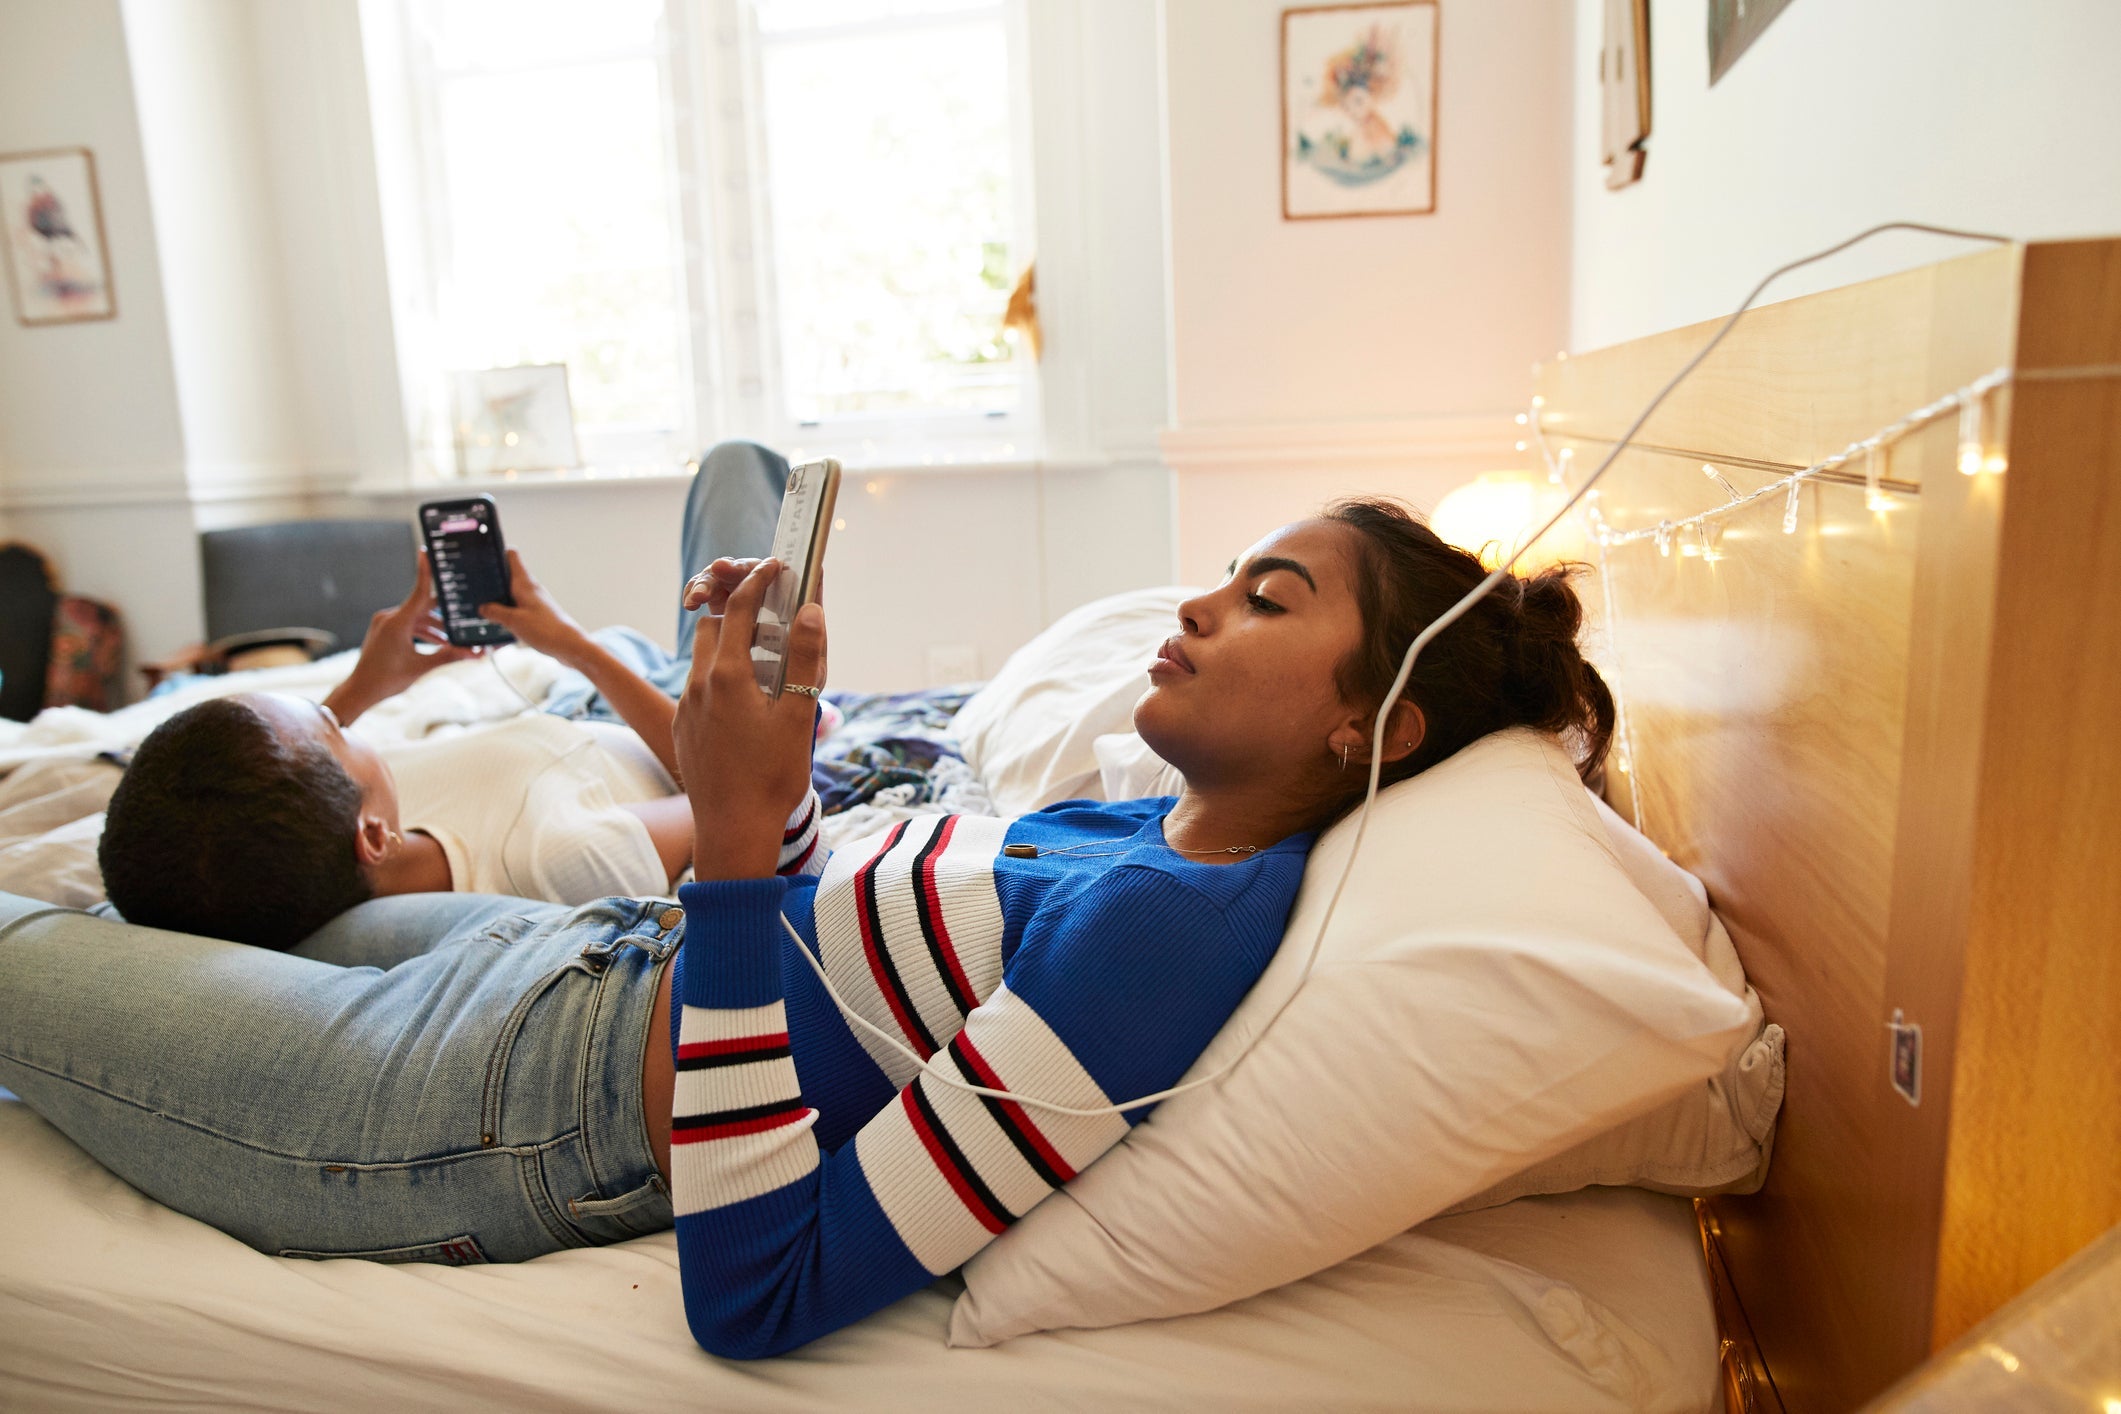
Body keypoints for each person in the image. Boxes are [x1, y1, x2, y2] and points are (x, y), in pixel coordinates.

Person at [0, 497, 1612, 1361]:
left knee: (23, 945)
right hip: (540, 965)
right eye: (1229, 577)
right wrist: (774, 753)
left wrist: (737, 852)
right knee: (130, 878)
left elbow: (757, 1286)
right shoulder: (1145, 825)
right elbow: (870, 962)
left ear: (1374, 730)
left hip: (473, 1104)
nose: (1198, 606)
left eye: (1271, 600)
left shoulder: (1165, 938)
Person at [95, 549, 698, 945]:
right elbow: (730, 792)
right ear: (373, 836)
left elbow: (275, 774)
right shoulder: (555, 853)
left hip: (572, 705)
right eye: (334, 728)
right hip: (665, 720)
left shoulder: (321, 830)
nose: (341, 717)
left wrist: (366, 683)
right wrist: (575, 645)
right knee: (734, 468)